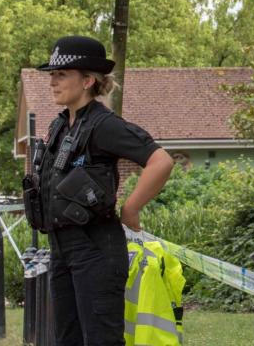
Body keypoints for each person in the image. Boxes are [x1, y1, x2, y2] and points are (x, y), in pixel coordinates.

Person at [25, 35, 174, 346]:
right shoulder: (61, 125)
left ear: (88, 80)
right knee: (68, 339)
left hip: (95, 249)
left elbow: (160, 161)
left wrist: (131, 209)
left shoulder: (102, 124)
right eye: (52, 74)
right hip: (61, 247)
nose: (53, 82)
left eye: (61, 74)